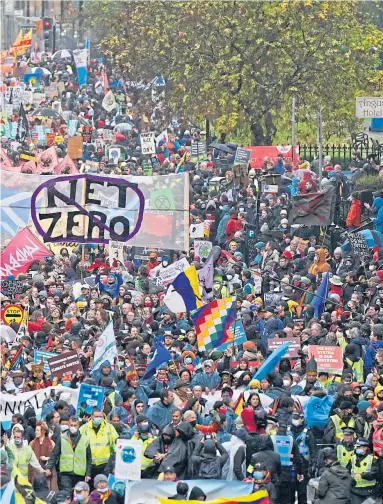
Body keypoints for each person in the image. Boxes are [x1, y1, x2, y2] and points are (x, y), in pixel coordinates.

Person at [46, 416, 92, 492]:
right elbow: (55, 454)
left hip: (79, 473)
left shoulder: (85, 439)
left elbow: (89, 458)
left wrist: (88, 473)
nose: (73, 427)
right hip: (65, 472)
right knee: (67, 494)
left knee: (78, 495)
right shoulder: (62, 438)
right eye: (71, 425)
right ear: (68, 425)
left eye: (75, 425)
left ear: (78, 426)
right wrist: (48, 467)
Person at [79, 409, 117, 481]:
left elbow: (116, 443)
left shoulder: (109, 427)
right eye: (96, 416)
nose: (98, 418)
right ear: (92, 416)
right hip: (89, 465)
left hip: (105, 464)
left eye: (100, 416)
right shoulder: (84, 428)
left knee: (103, 485)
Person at [347, 438, 378, 504]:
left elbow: (374, 473)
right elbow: (347, 471)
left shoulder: (372, 459)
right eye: (356, 447)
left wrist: (361, 475)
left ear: (365, 448)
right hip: (355, 491)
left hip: (369, 491)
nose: (357, 448)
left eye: (359, 447)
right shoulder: (352, 458)